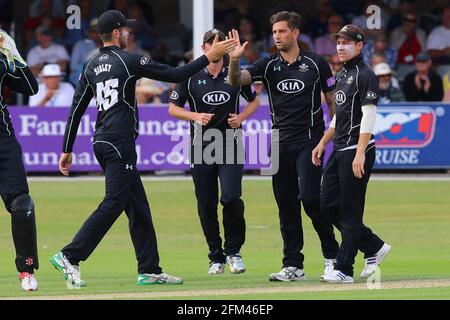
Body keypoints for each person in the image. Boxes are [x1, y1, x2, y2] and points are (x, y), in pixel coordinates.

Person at [49, 10, 236, 288]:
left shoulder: (90, 65)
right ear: (115, 33)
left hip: (102, 140)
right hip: (119, 141)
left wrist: (67, 148)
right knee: (114, 203)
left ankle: (149, 269)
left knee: (138, 208)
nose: (129, 34)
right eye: (126, 30)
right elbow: (176, 73)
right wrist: (210, 56)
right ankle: (70, 255)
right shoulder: (129, 61)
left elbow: (76, 110)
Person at [228, 11, 340, 282]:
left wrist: (333, 136)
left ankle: (332, 257)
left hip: (310, 139)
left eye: (282, 31)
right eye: (274, 32)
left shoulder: (317, 64)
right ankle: (293, 264)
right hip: (278, 142)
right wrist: (233, 60)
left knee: (311, 198)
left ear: (295, 33)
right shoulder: (267, 65)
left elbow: (333, 101)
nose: (277, 36)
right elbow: (236, 80)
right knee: (286, 204)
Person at [168, 29, 260, 275]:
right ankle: (215, 257)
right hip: (201, 147)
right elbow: (173, 109)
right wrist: (194, 115)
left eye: (220, 42)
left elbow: (254, 101)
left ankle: (234, 253)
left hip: (230, 145)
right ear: (204, 48)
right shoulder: (190, 75)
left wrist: (241, 117)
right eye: (212, 43)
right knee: (206, 205)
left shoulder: (235, 73)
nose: (216, 46)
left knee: (231, 198)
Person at [313, 25, 391, 284]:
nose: (340, 46)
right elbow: (339, 116)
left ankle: (344, 269)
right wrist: (323, 142)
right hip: (339, 149)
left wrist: (359, 153)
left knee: (350, 211)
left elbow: (369, 115)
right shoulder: (342, 74)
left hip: (358, 151)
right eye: (338, 42)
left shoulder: (365, 74)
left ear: (359, 46)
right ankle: (374, 246)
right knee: (327, 205)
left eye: (346, 42)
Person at [0, 30, 39, 291]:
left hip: (2, 139)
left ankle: (26, 269)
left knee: (22, 204)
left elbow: (31, 87)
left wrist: (14, 55)